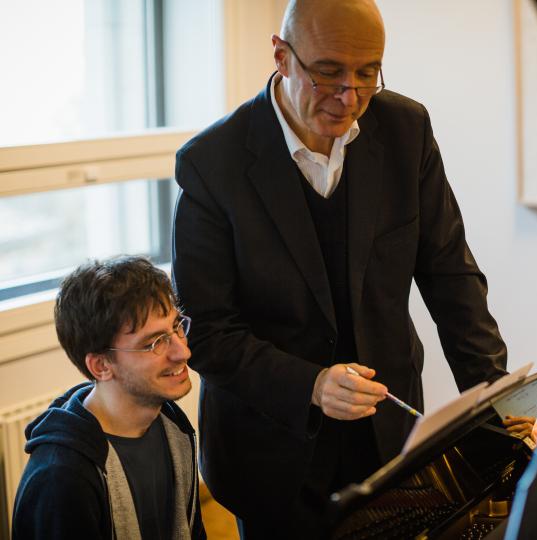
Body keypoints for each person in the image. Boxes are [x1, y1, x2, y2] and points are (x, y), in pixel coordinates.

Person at [172, 0, 508, 537]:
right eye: (328, 71)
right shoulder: (211, 163)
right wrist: (311, 384)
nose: (349, 96)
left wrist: (496, 399)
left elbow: (451, 276)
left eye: (367, 72)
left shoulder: (406, 128)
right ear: (282, 56)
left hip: (390, 434)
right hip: (271, 447)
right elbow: (207, 330)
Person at [12, 257, 205, 540]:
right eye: (155, 343)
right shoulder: (61, 479)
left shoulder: (174, 426)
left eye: (177, 327)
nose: (182, 352)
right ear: (101, 366)